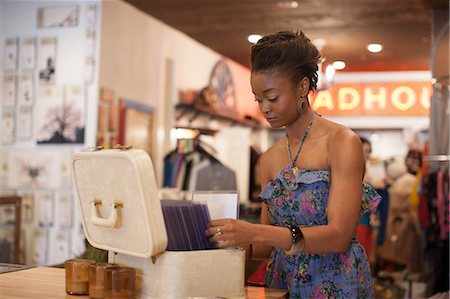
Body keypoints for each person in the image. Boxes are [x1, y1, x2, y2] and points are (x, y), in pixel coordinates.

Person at [205, 30, 381, 298]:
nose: (264, 108)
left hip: (336, 281)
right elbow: (265, 245)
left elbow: (339, 235)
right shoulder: (269, 159)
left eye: (272, 98)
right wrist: (228, 240)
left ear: (302, 87)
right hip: (282, 282)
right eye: (258, 99)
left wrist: (256, 231)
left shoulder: (342, 142)